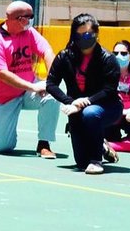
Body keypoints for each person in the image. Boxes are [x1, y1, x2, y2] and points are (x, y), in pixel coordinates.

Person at [46, 14, 122, 175]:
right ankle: (100, 144)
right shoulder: (64, 56)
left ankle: (96, 160)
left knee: (90, 113)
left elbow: (109, 89)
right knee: (81, 162)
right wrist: (70, 102)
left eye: (87, 34)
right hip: (76, 108)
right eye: (79, 35)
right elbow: (51, 84)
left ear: (96, 34)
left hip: (106, 106)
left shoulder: (107, 58)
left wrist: (85, 101)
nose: (83, 38)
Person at [0, 1, 59, 158]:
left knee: (52, 96)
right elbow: (1, 73)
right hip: (2, 99)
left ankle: (43, 144)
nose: (31, 20)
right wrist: (33, 86)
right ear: (17, 19)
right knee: (4, 147)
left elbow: (47, 51)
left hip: (26, 91)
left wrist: (51, 80)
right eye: (29, 17)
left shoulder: (29, 32)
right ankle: (0, 133)